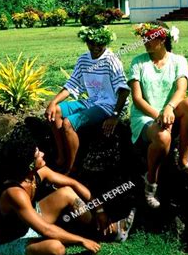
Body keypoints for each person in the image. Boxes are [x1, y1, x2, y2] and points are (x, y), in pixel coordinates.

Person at [0, 131, 134, 255]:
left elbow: (74, 184)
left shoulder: (39, 172)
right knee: (56, 249)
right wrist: (81, 241)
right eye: (38, 154)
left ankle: (106, 231)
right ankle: (85, 236)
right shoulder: (15, 193)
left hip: (30, 221)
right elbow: (45, 229)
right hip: (10, 240)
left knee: (67, 192)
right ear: (29, 164)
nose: (43, 154)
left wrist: (100, 210)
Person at [128, 22, 188, 209]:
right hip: (145, 116)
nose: (145, 42)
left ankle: (184, 161)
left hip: (168, 112)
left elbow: (182, 89)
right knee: (163, 137)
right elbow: (137, 98)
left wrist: (169, 108)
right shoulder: (138, 62)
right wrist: (159, 115)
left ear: (163, 39)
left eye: (149, 38)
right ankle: (151, 182)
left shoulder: (178, 61)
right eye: (143, 38)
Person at [45, 25, 130, 173]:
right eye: (92, 43)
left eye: (100, 43)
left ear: (106, 42)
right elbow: (72, 83)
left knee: (68, 123)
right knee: (55, 112)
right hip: (92, 102)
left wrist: (114, 116)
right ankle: (61, 156)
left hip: (109, 106)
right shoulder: (83, 59)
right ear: (86, 42)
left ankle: (70, 169)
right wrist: (53, 102)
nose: (96, 47)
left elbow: (123, 91)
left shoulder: (111, 60)